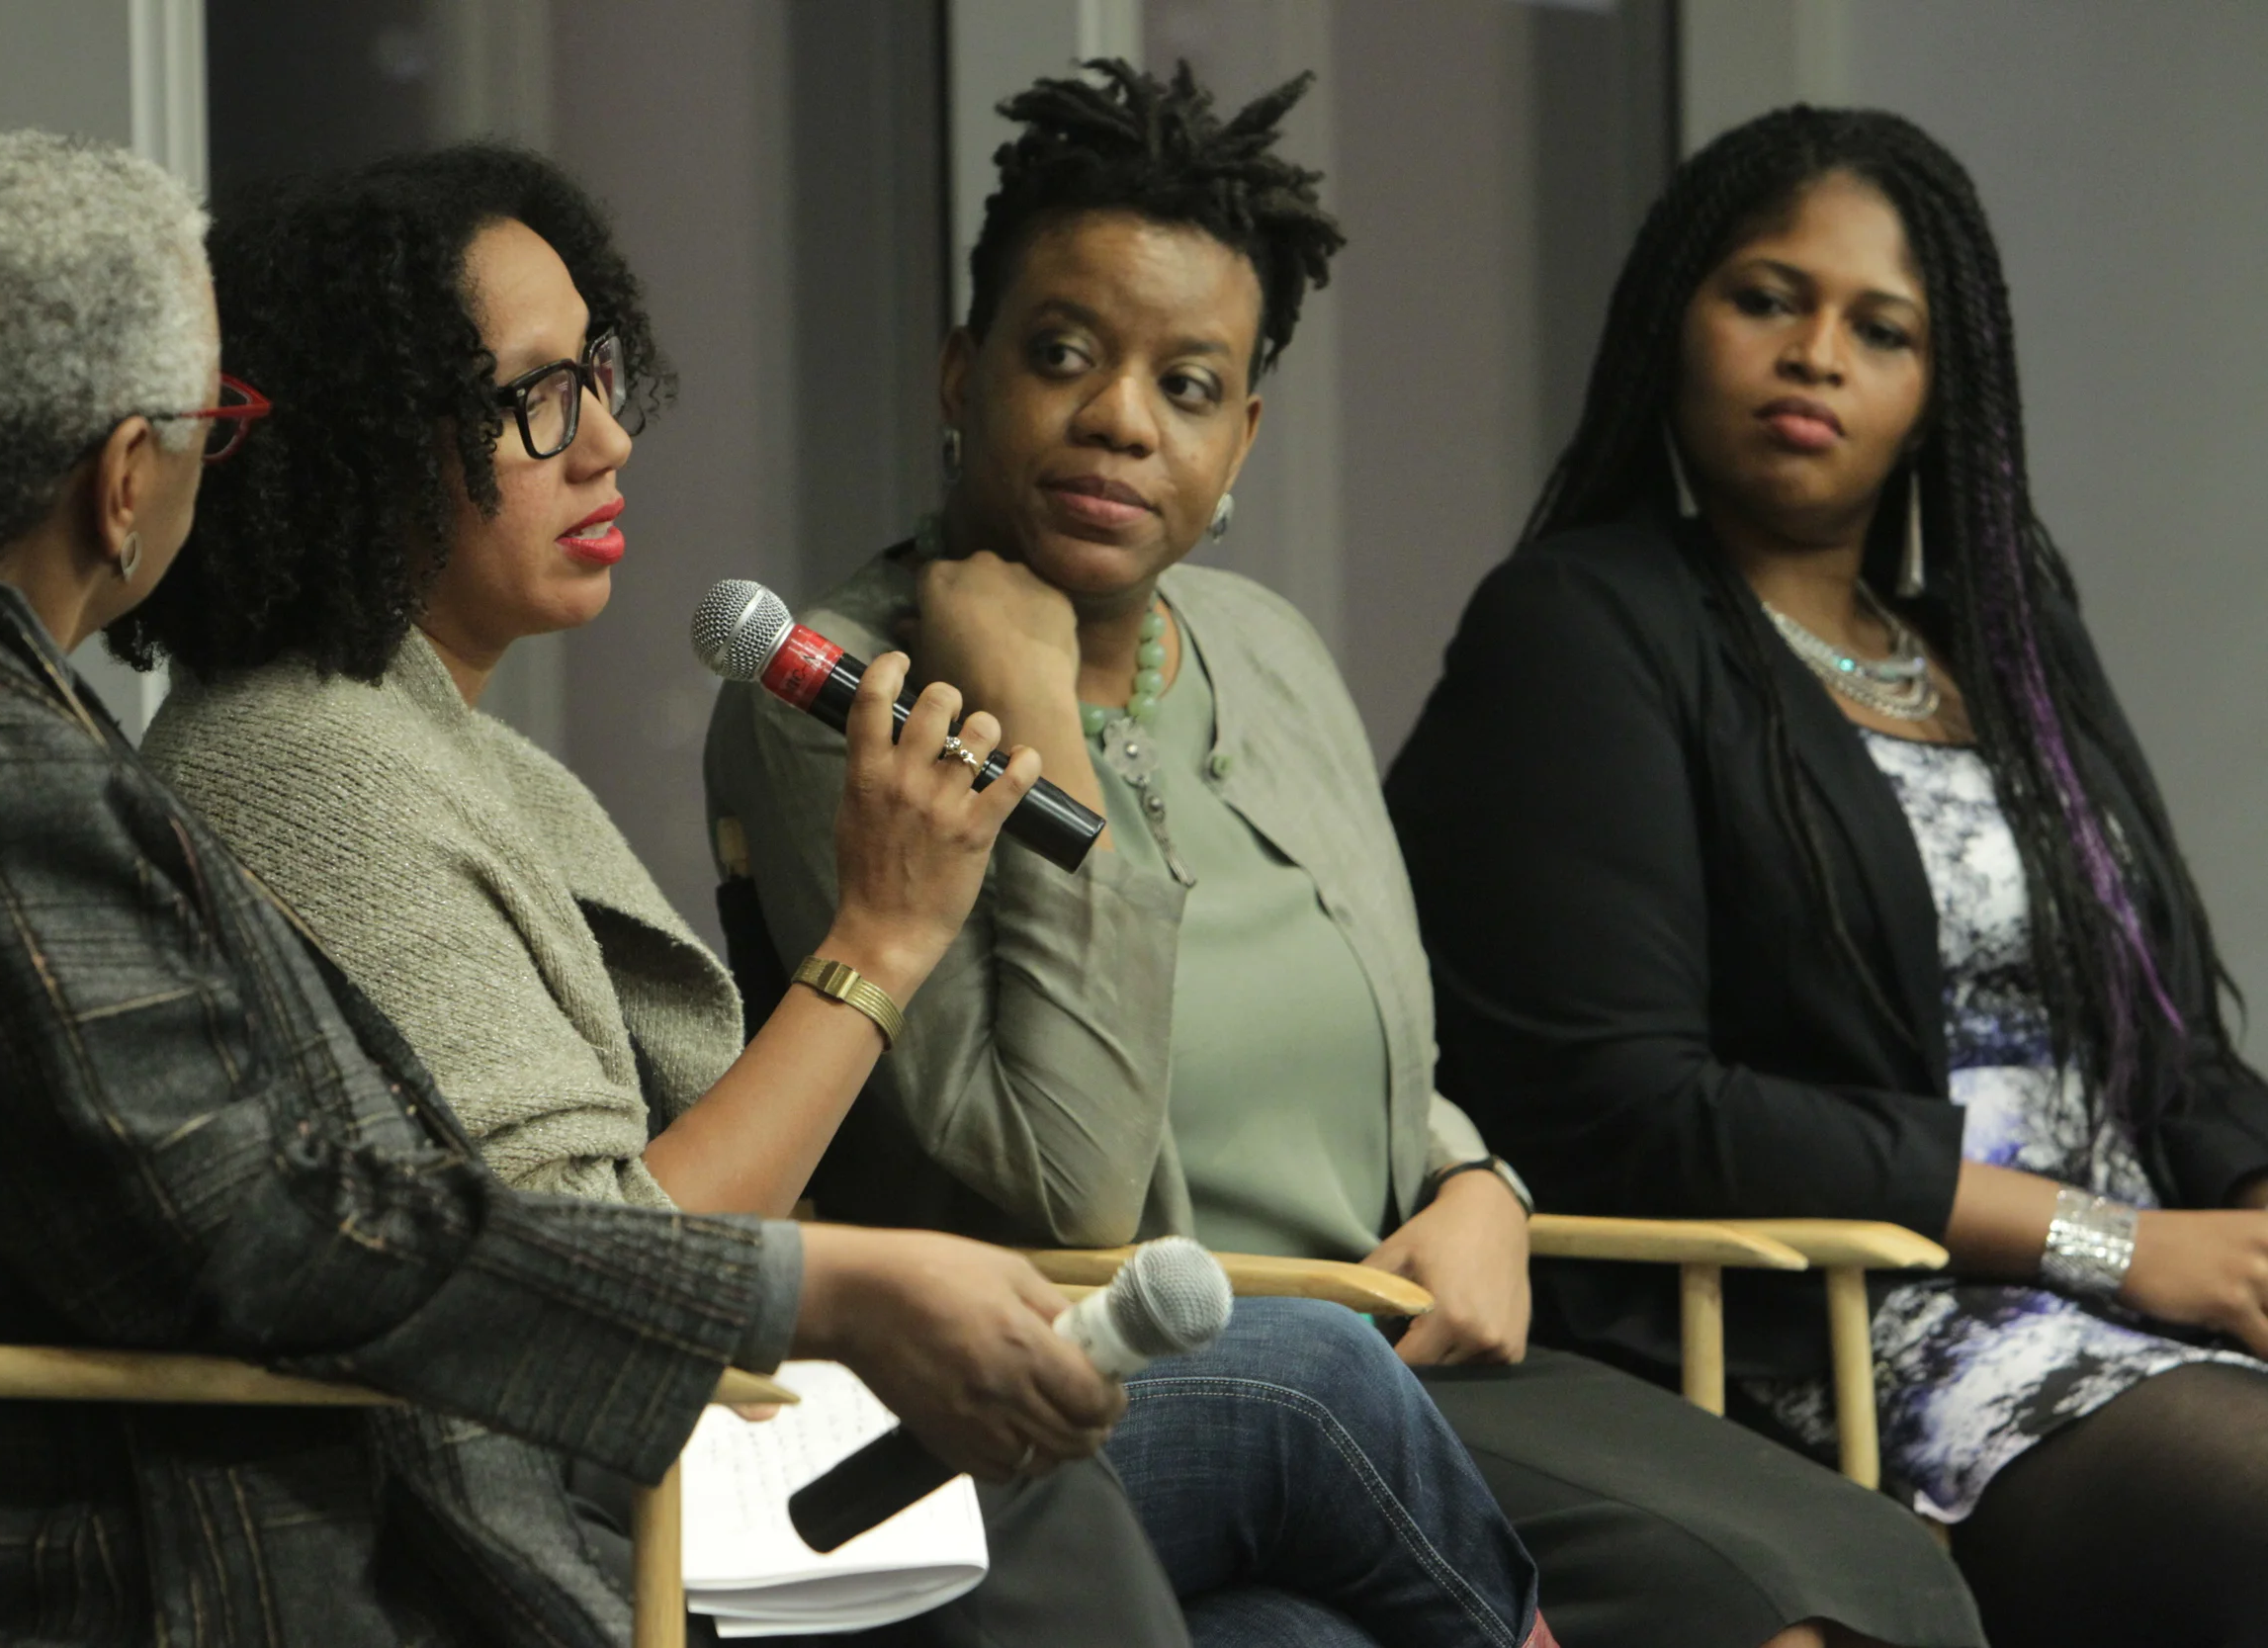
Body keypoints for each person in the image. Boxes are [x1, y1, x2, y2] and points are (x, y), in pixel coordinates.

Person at [126, 142, 1544, 1648]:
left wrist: (1476, 1177)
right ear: (367, 435)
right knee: (1306, 1383)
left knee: (1291, 1634)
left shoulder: (440, 746)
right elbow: (584, 1270)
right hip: (609, 1511)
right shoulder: (303, 767)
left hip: (709, 1445)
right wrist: (882, 940)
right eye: (536, 398)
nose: (607, 438)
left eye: (601, 375)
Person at [0, 130, 1162, 1647]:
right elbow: (278, 1230)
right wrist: (810, 1284)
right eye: (214, 419)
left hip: (374, 1472)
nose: (606, 443)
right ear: (128, 478)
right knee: (1250, 1428)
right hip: (259, 1553)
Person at [705, 63, 1980, 1648]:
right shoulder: (845, 695)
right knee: (1739, 1608)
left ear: (1241, 440)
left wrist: (1476, 1179)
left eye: (1188, 386)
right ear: (962, 371)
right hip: (1115, 1379)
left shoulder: (1267, 649)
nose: (1118, 417)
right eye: (1060, 355)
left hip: (1401, 1355)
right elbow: (1068, 1179)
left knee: (1855, 1582)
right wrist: (1040, 718)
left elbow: (1384, 1035)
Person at [1383, 103, 2268, 1648]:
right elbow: (1634, 1105)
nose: (1818, 355)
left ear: (1940, 390)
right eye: (1767, 297)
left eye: (1882, 328)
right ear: (1676, 320)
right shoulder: (1583, 629)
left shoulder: (2007, 654)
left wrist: (2250, 1211)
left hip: (2165, 1297)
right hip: (1863, 1338)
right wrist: (2113, 1242)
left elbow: (2167, 1045)